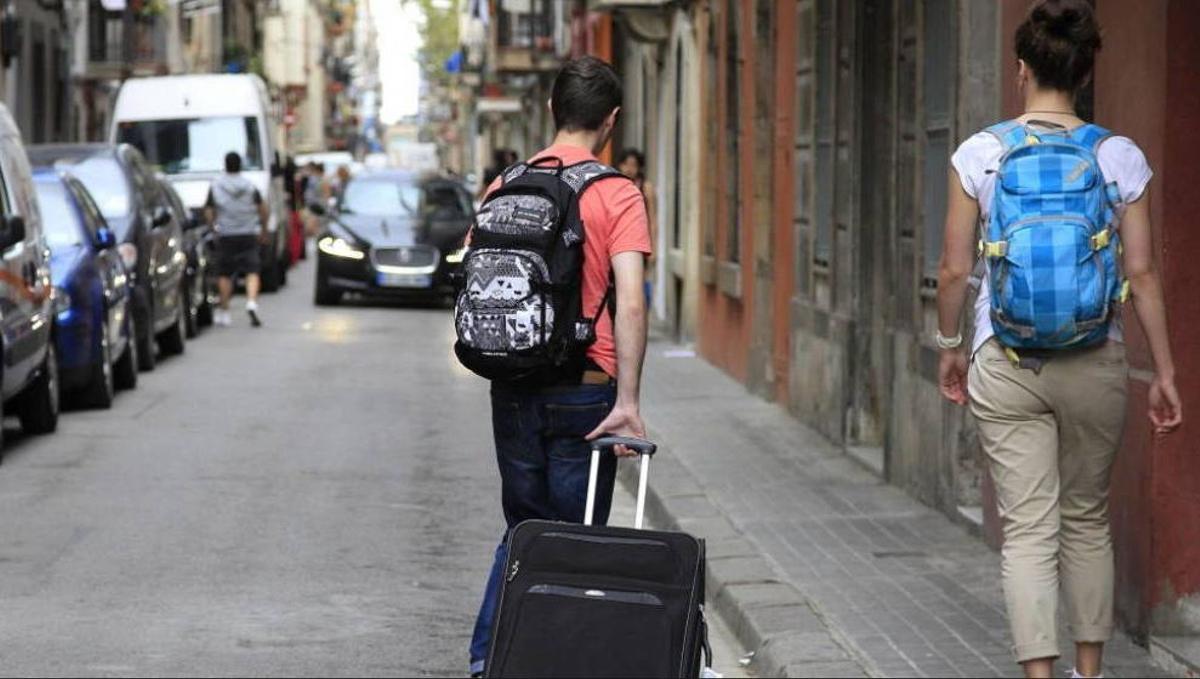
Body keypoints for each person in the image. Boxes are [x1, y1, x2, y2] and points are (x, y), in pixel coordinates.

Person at [935, 2, 1181, 678]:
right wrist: (1163, 371)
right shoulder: (1118, 156)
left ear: (1021, 69)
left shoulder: (981, 154)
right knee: (1086, 519)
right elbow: (1142, 273)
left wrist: (950, 343)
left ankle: (1038, 675)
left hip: (1004, 357)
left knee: (1027, 530)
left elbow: (954, 269)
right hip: (1096, 356)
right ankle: (1089, 671)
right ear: (1085, 72)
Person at [467, 56, 651, 677]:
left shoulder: (505, 185)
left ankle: (488, 660)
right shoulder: (617, 193)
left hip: (513, 385)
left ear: (551, 110)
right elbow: (631, 302)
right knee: (577, 542)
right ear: (612, 121)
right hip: (585, 390)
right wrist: (628, 402)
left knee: (524, 532)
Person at [205, 152, 269, 328]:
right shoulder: (250, 186)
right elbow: (263, 209)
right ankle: (251, 302)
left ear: (225, 165)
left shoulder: (216, 186)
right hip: (248, 233)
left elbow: (209, 211)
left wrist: (213, 228)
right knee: (252, 270)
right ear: (241, 165)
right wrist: (263, 229)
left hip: (226, 234)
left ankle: (225, 311)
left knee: (224, 274)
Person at [617, 148, 656, 305]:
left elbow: (652, 219)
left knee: (641, 283)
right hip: (620, 240)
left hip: (640, 242)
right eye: (626, 164)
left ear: (639, 167)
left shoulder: (646, 188)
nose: (629, 169)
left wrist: (653, 249)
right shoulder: (616, 185)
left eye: (633, 165)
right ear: (620, 165)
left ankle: (643, 309)